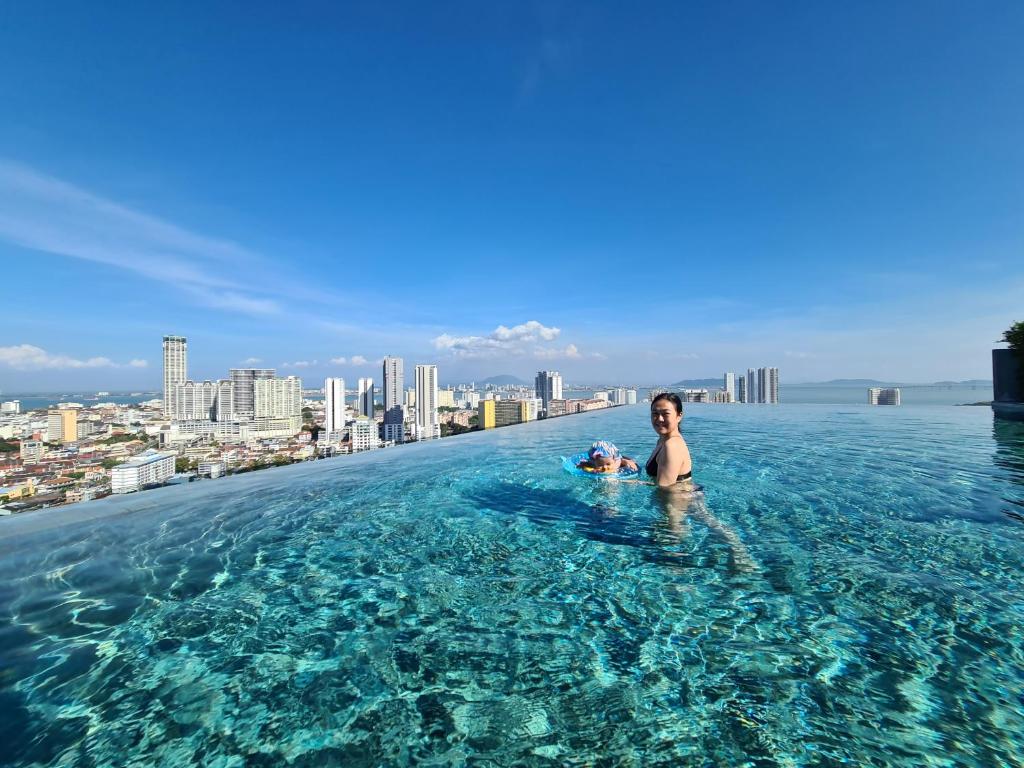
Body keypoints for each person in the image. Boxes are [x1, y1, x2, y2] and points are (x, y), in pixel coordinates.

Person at [645, 392, 693, 487]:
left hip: (678, 501)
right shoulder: (663, 441)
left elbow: (665, 491)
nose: (660, 419)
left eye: (666, 414)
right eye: (655, 413)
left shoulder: (672, 446)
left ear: (679, 416)